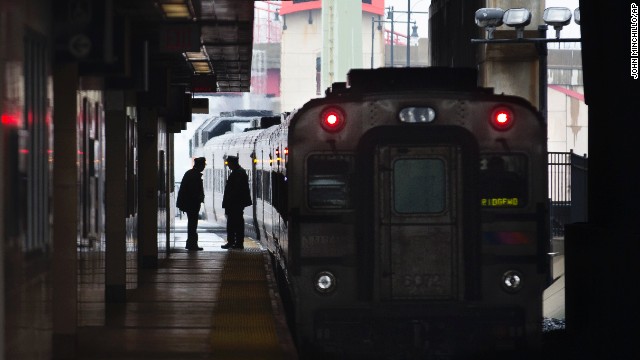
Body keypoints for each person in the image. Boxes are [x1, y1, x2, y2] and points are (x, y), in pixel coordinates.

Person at [221, 155, 252, 249]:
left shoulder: (238, 173)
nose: (228, 166)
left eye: (229, 163)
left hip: (235, 204)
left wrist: (229, 203)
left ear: (233, 163)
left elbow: (235, 191)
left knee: (233, 224)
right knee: (235, 223)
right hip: (235, 204)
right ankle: (236, 242)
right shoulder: (239, 172)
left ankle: (234, 242)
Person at [176, 157, 206, 251]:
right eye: (203, 164)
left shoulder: (190, 173)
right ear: (200, 165)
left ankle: (191, 243)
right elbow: (193, 192)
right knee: (193, 224)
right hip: (192, 204)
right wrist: (199, 198)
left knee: (192, 224)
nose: (204, 166)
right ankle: (192, 244)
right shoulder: (194, 176)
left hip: (190, 204)